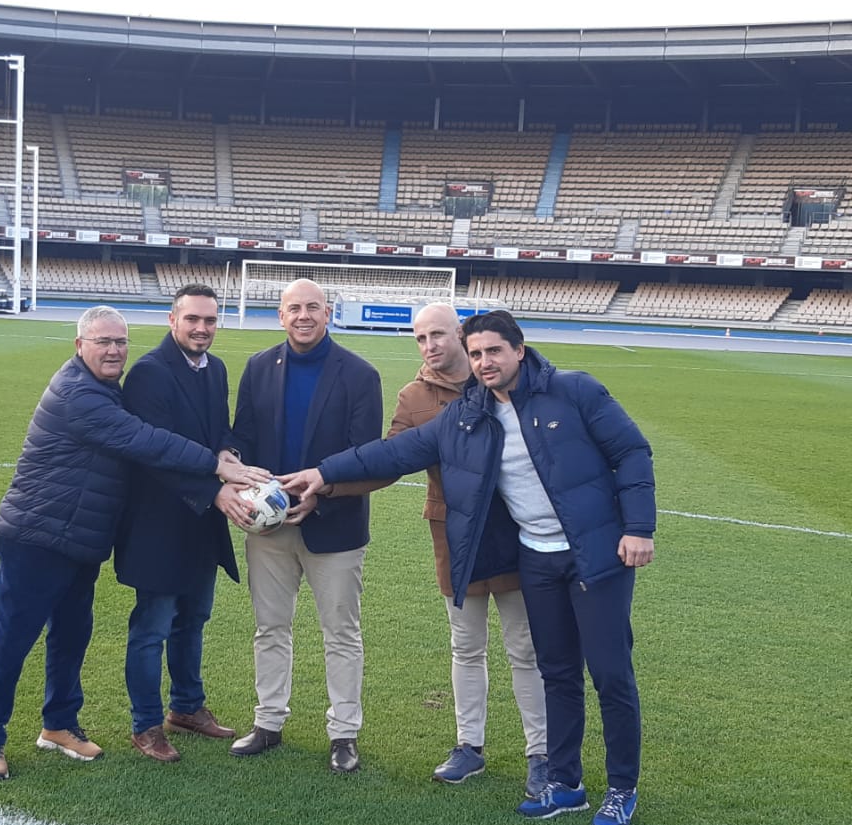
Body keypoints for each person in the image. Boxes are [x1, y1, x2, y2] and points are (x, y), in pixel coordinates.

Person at [282, 309, 654, 825]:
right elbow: (394, 451)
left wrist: (639, 527)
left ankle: (622, 788)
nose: (484, 362)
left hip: (596, 553)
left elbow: (632, 451)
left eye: (493, 351)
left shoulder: (575, 391)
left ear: (518, 350)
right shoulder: (467, 416)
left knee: (611, 674)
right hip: (537, 559)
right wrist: (324, 472)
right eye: (476, 353)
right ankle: (566, 782)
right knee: (558, 672)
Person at [0, 305, 268, 781]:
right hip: (37, 536)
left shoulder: (107, 388)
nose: (113, 350)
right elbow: (144, 438)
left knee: (71, 636)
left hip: (80, 539)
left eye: (120, 342)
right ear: (79, 346)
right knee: (11, 640)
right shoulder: (78, 394)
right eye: (102, 342)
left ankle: (59, 725)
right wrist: (218, 467)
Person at [221, 278, 384, 774]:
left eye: (313, 307)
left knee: (341, 633)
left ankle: (343, 733)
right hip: (268, 527)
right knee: (270, 628)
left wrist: (323, 495)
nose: (303, 316)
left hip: (332, 525)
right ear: (280, 315)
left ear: (328, 313)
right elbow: (243, 436)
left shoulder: (360, 375)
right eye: (294, 308)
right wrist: (236, 471)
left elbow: (364, 455)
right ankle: (268, 721)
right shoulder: (257, 367)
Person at [391, 303, 548, 797]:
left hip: (515, 530)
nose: (430, 345)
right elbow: (390, 456)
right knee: (466, 644)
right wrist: (327, 485)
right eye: (420, 338)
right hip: (455, 535)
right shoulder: (414, 397)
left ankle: (540, 752)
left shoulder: (503, 377)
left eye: (438, 334)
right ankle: (468, 746)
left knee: (525, 646)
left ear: (460, 335)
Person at [113, 284, 258, 762]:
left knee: (194, 619)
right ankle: (145, 725)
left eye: (210, 321)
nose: (202, 328)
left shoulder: (215, 368)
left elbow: (219, 429)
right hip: (160, 525)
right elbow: (154, 453)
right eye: (193, 319)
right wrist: (216, 490)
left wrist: (228, 453)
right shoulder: (149, 374)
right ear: (172, 320)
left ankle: (187, 707)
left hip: (202, 524)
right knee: (152, 626)